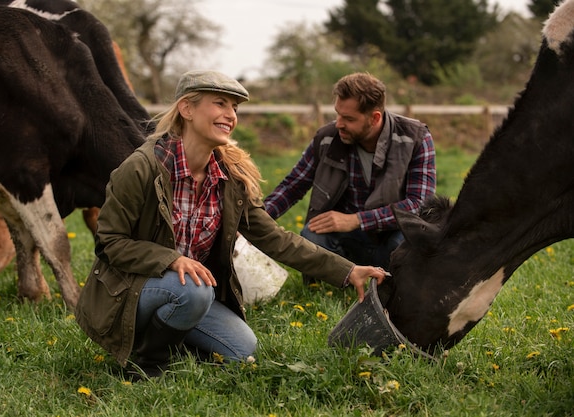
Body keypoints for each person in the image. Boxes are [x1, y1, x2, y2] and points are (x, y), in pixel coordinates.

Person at [74, 70, 388, 380]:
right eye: (220, 103)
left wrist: (348, 271)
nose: (230, 114)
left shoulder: (229, 178)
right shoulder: (142, 169)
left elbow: (276, 238)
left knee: (241, 349)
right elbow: (110, 242)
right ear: (187, 109)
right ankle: (147, 365)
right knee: (195, 291)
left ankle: (167, 339)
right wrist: (170, 259)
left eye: (234, 108)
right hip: (130, 292)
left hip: (188, 291)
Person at [264, 72, 436, 283]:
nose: (339, 124)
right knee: (313, 234)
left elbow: (420, 205)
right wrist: (252, 223)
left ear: (374, 118)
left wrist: (356, 220)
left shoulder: (415, 138)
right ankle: (336, 282)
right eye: (337, 114)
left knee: (408, 239)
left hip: (391, 241)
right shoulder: (327, 138)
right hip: (347, 246)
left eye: (349, 118)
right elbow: (292, 187)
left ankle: (394, 285)